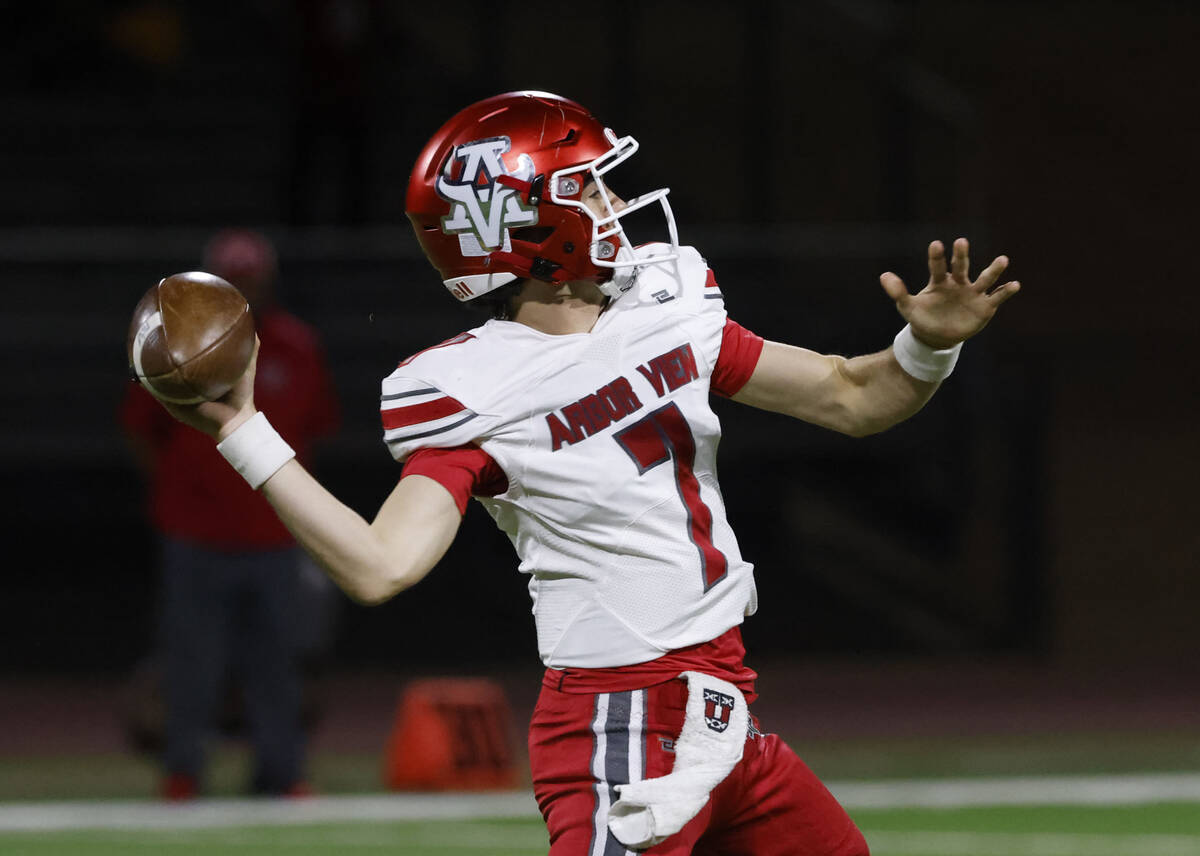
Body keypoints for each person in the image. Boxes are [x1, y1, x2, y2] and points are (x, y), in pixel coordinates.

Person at [153, 92, 1019, 852]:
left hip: (721, 712)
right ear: (527, 225)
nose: (613, 202)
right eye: (588, 186)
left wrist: (927, 343)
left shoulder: (662, 305)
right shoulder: (471, 388)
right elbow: (381, 564)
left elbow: (850, 396)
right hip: (622, 723)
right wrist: (245, 431)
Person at [120, 228, 340, 799]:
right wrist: (184, 494)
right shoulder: (175, 350)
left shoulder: (296, 344)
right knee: (191, 663)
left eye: (251, 281)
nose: (244, 290)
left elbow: (315, 429)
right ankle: (183, 770)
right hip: (196, 534)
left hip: (273, 534)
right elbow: (142, 433)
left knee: (276, 663)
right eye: (233, 282)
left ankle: (282, 771)